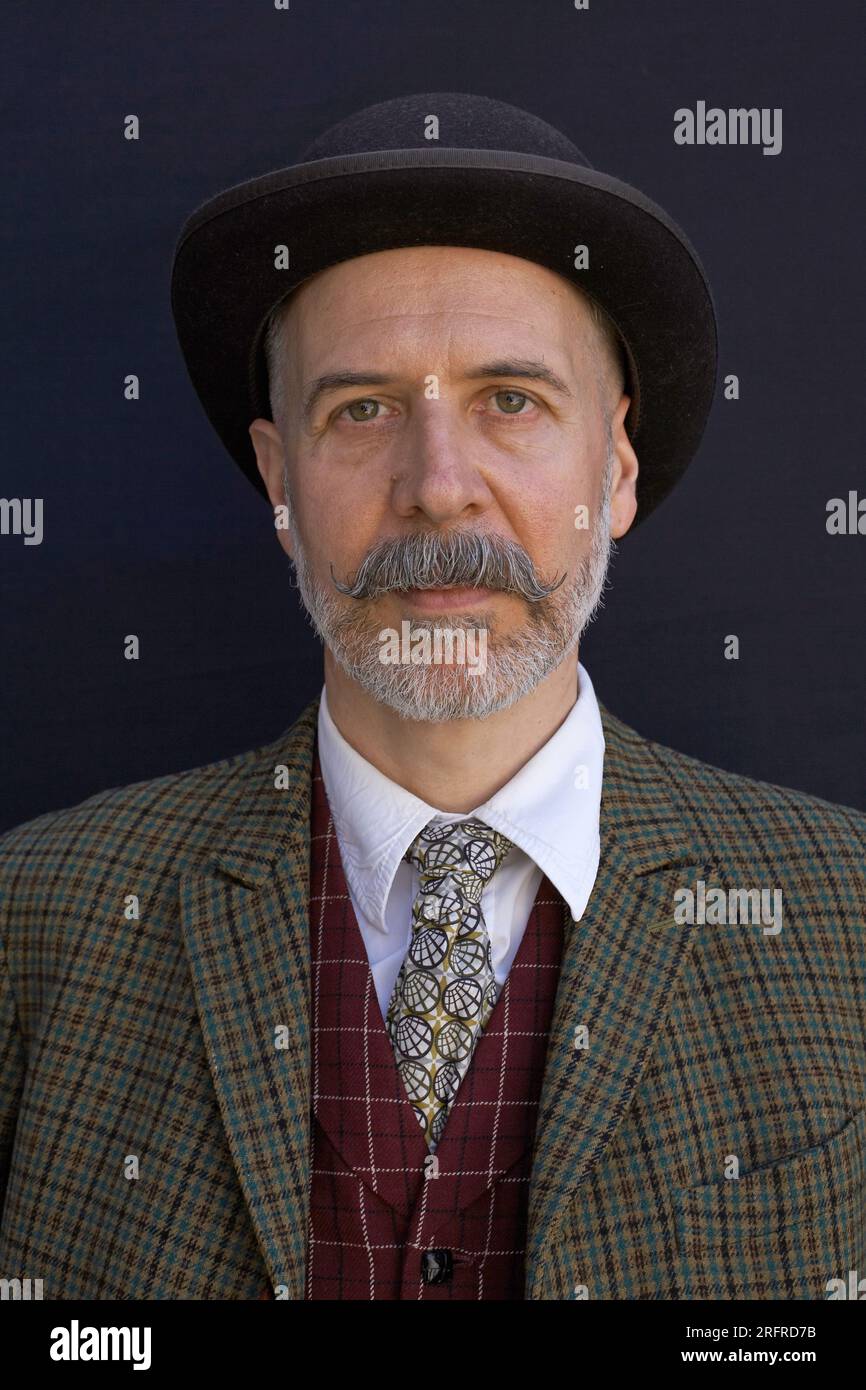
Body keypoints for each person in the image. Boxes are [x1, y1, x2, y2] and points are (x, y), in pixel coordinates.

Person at [1, 92, 864, 1302]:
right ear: (277, 477)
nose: (437, 487)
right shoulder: (37, 919)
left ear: (611, 468)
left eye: (509, 400)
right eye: (362, 410)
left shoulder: (846, 914)